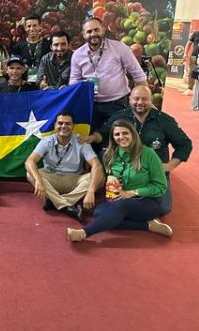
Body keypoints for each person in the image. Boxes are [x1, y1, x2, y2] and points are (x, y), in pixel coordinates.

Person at [83, 85, 192, 215]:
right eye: (136, 99)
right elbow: (104, 132)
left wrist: (169, 166)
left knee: (163, 208)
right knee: (107, 202)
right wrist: (92, 138)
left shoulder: (164, 121)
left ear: (151, 100)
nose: (140, 102)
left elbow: (185, 144)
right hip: (125, 170)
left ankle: (128, 208)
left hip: (152, 172)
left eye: (144, 99)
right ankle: (140, 215)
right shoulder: (119, 117)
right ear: (129, 100)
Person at [66, 119, 172, 242]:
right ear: (113, 137)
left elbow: (160, 186)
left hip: (147, 201)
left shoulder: (148, 154)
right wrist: (109, 177)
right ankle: (148, 225)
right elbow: (104, 173)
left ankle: (83, 233)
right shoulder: (110, 155)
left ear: (133, 134)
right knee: (99, 213)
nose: (121, 137)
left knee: (120, 208)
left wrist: (132, 192)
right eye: (117, 134)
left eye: (125, 133)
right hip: (120, 199)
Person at [69, 17, 147, 131]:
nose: (93, 34)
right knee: (92, 138)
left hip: (118, 103)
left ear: (103, 30)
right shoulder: (77, 55)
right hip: (91, 104)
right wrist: (82, 84)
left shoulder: (120, 48)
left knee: (119, 138)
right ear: (84, 34)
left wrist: (143, 101)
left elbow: (139, 76)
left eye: (96, 30)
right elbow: (73, 81)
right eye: (89, 31)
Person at [24, 111, 104, 222]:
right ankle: (67, 206)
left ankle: (54, 201)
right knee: (30, 174)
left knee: (100, 177)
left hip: (74, 180)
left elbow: (96, 165)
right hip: (52, 179)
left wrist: (90, 191)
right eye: (60, 123)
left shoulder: (81, 141)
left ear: (73, 126)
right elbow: (29, 161)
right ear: (55, 125)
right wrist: (37, 179)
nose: (64, 126)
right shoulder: (47, 141)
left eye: (68, 124)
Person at [11, 13, 51, 82]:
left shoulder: (48, 45)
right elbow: (13, 65)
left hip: (44, 83)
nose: (32, 29)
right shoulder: (19, 46)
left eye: (35, 25)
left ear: (40, 26)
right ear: (25, 28)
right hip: (24, 83)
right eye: (29, 26)